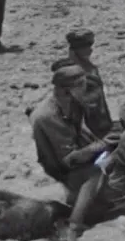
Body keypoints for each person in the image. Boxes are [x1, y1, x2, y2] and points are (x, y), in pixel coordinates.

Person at [31, 65, 120, 205]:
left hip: (83, 154)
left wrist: (98, 100)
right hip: (66, 169)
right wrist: (104, 145)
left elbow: (101, 127)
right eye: (82, 85)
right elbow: (70, 159)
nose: (87, 88)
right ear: (67, 91)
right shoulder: (47, 116)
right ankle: (76, 217)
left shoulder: (72, 102)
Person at [61, 29, 118, 136]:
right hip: (84, 127)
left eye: (90, 46)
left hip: (101, 121)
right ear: (75, 49)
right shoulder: (70, 73)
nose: (90, 50)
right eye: (85, 48)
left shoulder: (91, 68)